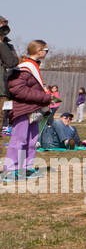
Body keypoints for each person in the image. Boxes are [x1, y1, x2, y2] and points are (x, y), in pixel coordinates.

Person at [2, 41, 52, 180]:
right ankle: (10, 169)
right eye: (46, 50)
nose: (47, 53)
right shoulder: (24, 68)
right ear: (39, 51)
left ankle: (25, 168)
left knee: (31, 140)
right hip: (22, 109)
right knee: (19, 139)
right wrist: (44, 97)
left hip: (33, 109)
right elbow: (17, 89)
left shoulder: (34, 67)